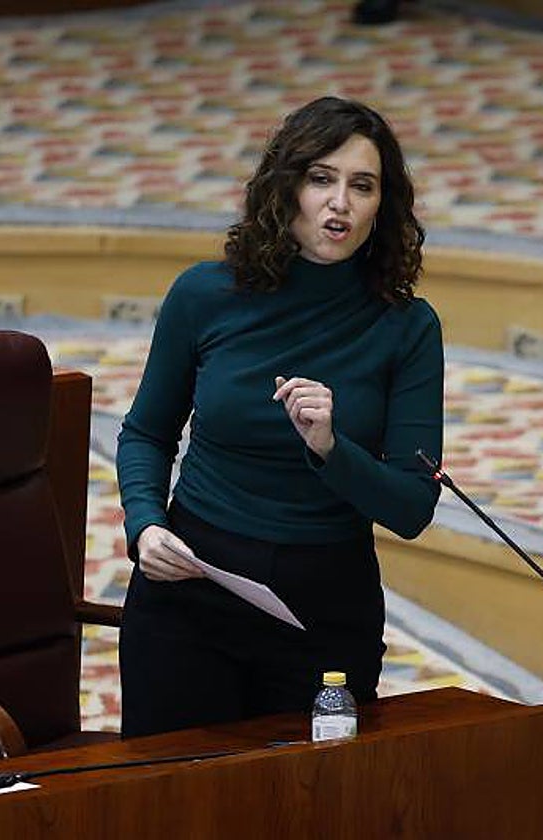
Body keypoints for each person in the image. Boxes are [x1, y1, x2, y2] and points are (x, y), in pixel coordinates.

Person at [116, 96, 443, 737]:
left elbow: (411, 508)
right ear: (285, 186)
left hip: (323, 609)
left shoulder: (407, 328)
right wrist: (145, 526)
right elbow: (146, 434)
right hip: (193, 588)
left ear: (384, 207)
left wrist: (331, 449)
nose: (339, 203)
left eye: (362, 186)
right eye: (321, 178)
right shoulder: (205, 296)